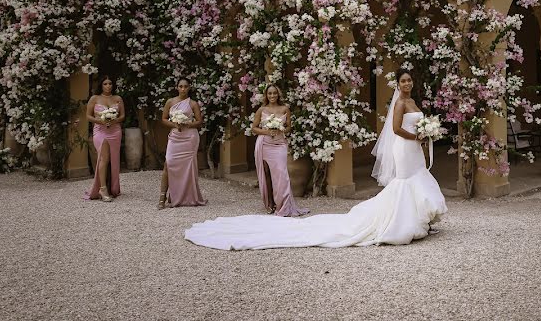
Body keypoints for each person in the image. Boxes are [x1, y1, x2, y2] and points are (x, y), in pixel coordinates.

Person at [184, 68, 447, 249]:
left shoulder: (412, 100)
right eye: (403, 81)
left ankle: (419, 222)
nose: (407, 84)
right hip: (406, 147)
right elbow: (396, 129)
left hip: (415, 148)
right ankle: (400, 224)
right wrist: (418, 137)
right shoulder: (400, 104)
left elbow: (414, 125)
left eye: (409, 80)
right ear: (397, 85)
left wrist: (425, 132)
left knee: (417, 178)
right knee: (404, 183)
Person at [251, 85, 308, 216]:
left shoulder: (285, 109)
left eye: (274, 93)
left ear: (278, 94)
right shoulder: (261, 110)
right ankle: (271, 204)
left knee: (282, 175)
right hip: (264, 144)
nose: (272, 96)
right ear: (266, 95)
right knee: (266, 175)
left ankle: (284, 206)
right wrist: (267, 131)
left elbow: (289, 127)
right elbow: (254, 128)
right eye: (269, 94)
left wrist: (281, 129)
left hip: (280, 144)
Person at [158, 78, 207, 209]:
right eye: (181, 86)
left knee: (187, 168)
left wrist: (187, 124)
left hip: (189, 137)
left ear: (189, 87)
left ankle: (183, 196)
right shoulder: (170, 102)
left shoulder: (193, 103)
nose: (183, 89)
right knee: (168, 163)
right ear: (177, 87)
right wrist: (175, 124)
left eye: (185, 86)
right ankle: (162, 197)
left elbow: (199, 121)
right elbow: (163, 119)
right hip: (175, 137)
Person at [84, 76, 124, 202]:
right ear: (101, 85)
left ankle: (114, 187)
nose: (108, 86)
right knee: (103, 158)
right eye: (105, 83)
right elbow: (88, 116)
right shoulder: (94, 98)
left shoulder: (118, 99)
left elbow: (122, 116)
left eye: (110, 83)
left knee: (115, 159)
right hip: (100, 131)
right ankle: (102, 188)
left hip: (115, 131)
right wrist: (100, 120)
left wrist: (114, 120)